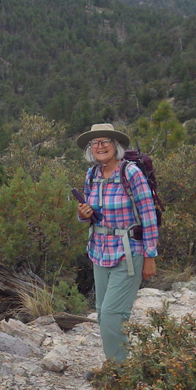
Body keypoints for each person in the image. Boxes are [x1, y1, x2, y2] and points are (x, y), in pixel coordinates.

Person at [74, 123, 159, 363]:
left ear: (115, 145)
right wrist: (84, 212)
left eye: (105, 141)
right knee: (102, 313)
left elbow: (148, 215)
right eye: (95, 143)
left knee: (113, 314)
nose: (100, 146)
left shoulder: (131, 173)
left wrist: (150, 256)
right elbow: (86, 216)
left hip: (128, 252)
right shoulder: (92, 175)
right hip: (99, 251)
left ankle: (121, 373)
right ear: (91, 149)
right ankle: (118, 364)